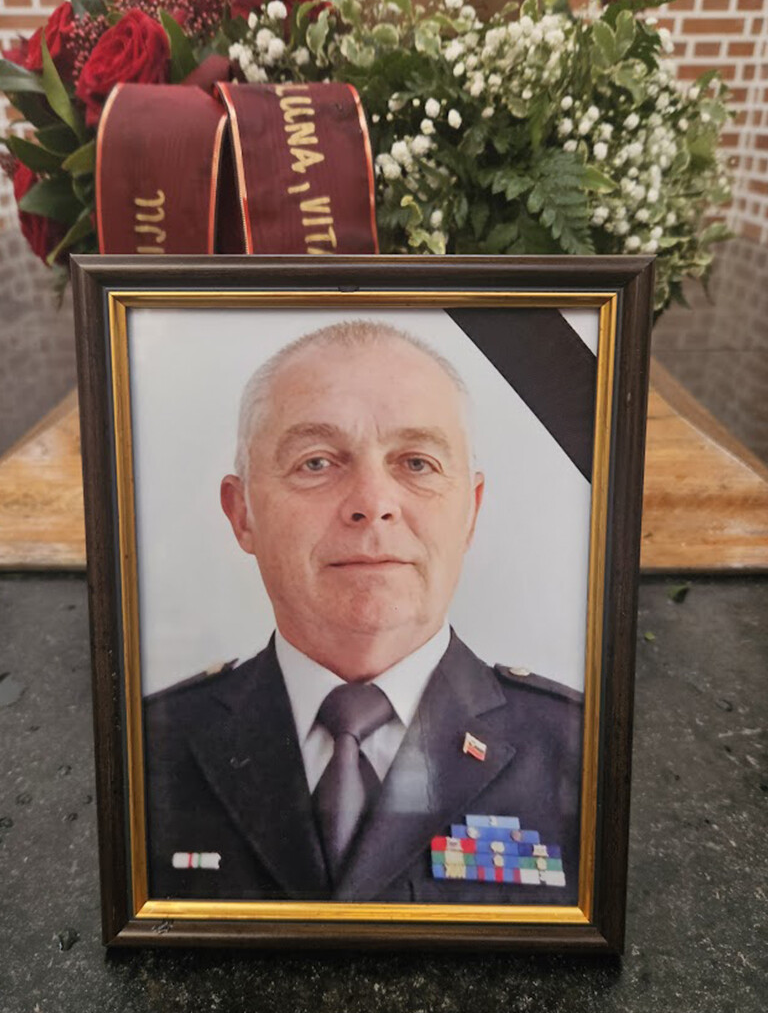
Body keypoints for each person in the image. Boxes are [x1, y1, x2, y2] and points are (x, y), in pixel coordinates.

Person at [144, 320, 583, 906]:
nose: (373, 504)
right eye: (317, 463)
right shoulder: (147, 747)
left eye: (417, 463)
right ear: (242, 512)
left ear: (471, 513)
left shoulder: (579, 749)